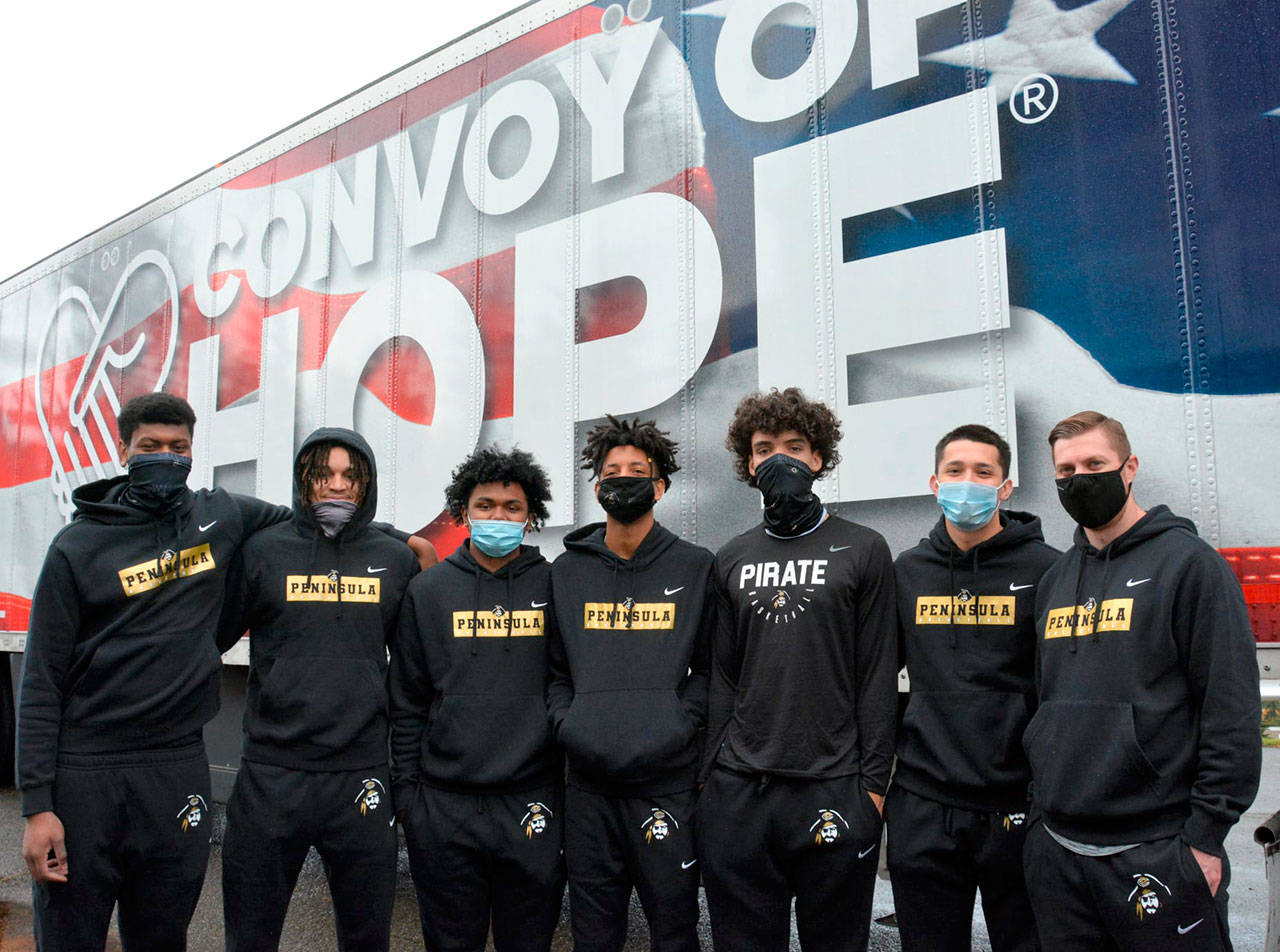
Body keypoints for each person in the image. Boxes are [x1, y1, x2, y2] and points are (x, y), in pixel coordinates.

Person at [17, 392, 297, 950]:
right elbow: (41, 682)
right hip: (86, 773)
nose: (166, 457)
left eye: (178, 447)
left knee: (163, 937)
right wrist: (38, 808)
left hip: (176, 768)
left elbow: (303, 529)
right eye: (150, 446)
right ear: (124, 450)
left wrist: (401, 543)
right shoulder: (77, 546)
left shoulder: (220, 516)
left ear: (192, 452)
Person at [1023, 410, 1261, 951]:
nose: (1079, 479)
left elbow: (1231, 709)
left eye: (1095, 464)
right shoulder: (1056, 579)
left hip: (1159, 850)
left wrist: (1205, 839)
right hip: (1058, 852)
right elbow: (1045, 700)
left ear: (1129, 468)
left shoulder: (1191, 566)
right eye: (1066, 471)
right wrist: (1040, 817)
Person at [698, 387, 897, 952]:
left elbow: (878, 673)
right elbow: (723, 677)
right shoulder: (732, 556)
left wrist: (872, 791)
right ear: (748, 464)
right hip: (740, 790)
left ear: (818, 458)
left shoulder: (864, 548)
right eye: (764, 449)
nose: (778, 459)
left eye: (794, 446)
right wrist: (710, 782)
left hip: (834, 787)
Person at [218, 427, 420, 951]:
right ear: (302, 480)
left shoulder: (396, 560)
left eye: (351, 476)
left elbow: (412, 676)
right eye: (323, 474)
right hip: (271, 774)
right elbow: (210, 640)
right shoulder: (262, 552)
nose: (337, 485)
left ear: (367, 484)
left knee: (366, 938)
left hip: (360, 775)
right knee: (250, 936)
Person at [887, 423, 1059, 952]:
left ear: (1005, 487)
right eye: (955, 471)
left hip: (1017, 803)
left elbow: (1059, 690)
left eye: (983, 472)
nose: (968, 483)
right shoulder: (908, 571)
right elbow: (876, 678)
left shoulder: (1048, 570)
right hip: (923, 803)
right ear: (934, 484)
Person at [547, 415, 714, 952]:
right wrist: (570, 725)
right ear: (597, 488)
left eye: (637, 472)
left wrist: (677, 725)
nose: (623, 480)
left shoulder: (695, 567)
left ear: (659, 487)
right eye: (612, 471)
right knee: (594, 936)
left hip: (666, 787)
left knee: (675, 932)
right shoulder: (566, 572)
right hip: (588, 791)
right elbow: (555, 673)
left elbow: (711, 671)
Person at [390, 446, 565, 952]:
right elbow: (407, 701)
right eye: (485, 505)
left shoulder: (555, 585)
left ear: (531, 516)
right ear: (464, 512)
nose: (498, 517)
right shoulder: (428, 591)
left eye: (512, 507)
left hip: (531, 802)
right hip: (444, 807)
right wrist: (410, 800)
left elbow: (567, 685)